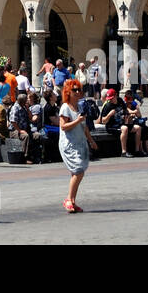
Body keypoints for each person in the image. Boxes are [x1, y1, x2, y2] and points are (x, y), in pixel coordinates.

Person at [59, 79, 98, 213]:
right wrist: (77, 120)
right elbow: (63, 126)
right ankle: (69, 199)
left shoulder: (80, 107)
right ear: (68, 92)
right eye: (74, 90)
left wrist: (91, 140)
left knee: (76, 173)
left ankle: (72, 201)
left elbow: (84, 126)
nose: (77, 92)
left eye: (79, 89)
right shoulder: (65, 107)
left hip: (80, 142)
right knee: (79, 172)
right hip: (69, 144)